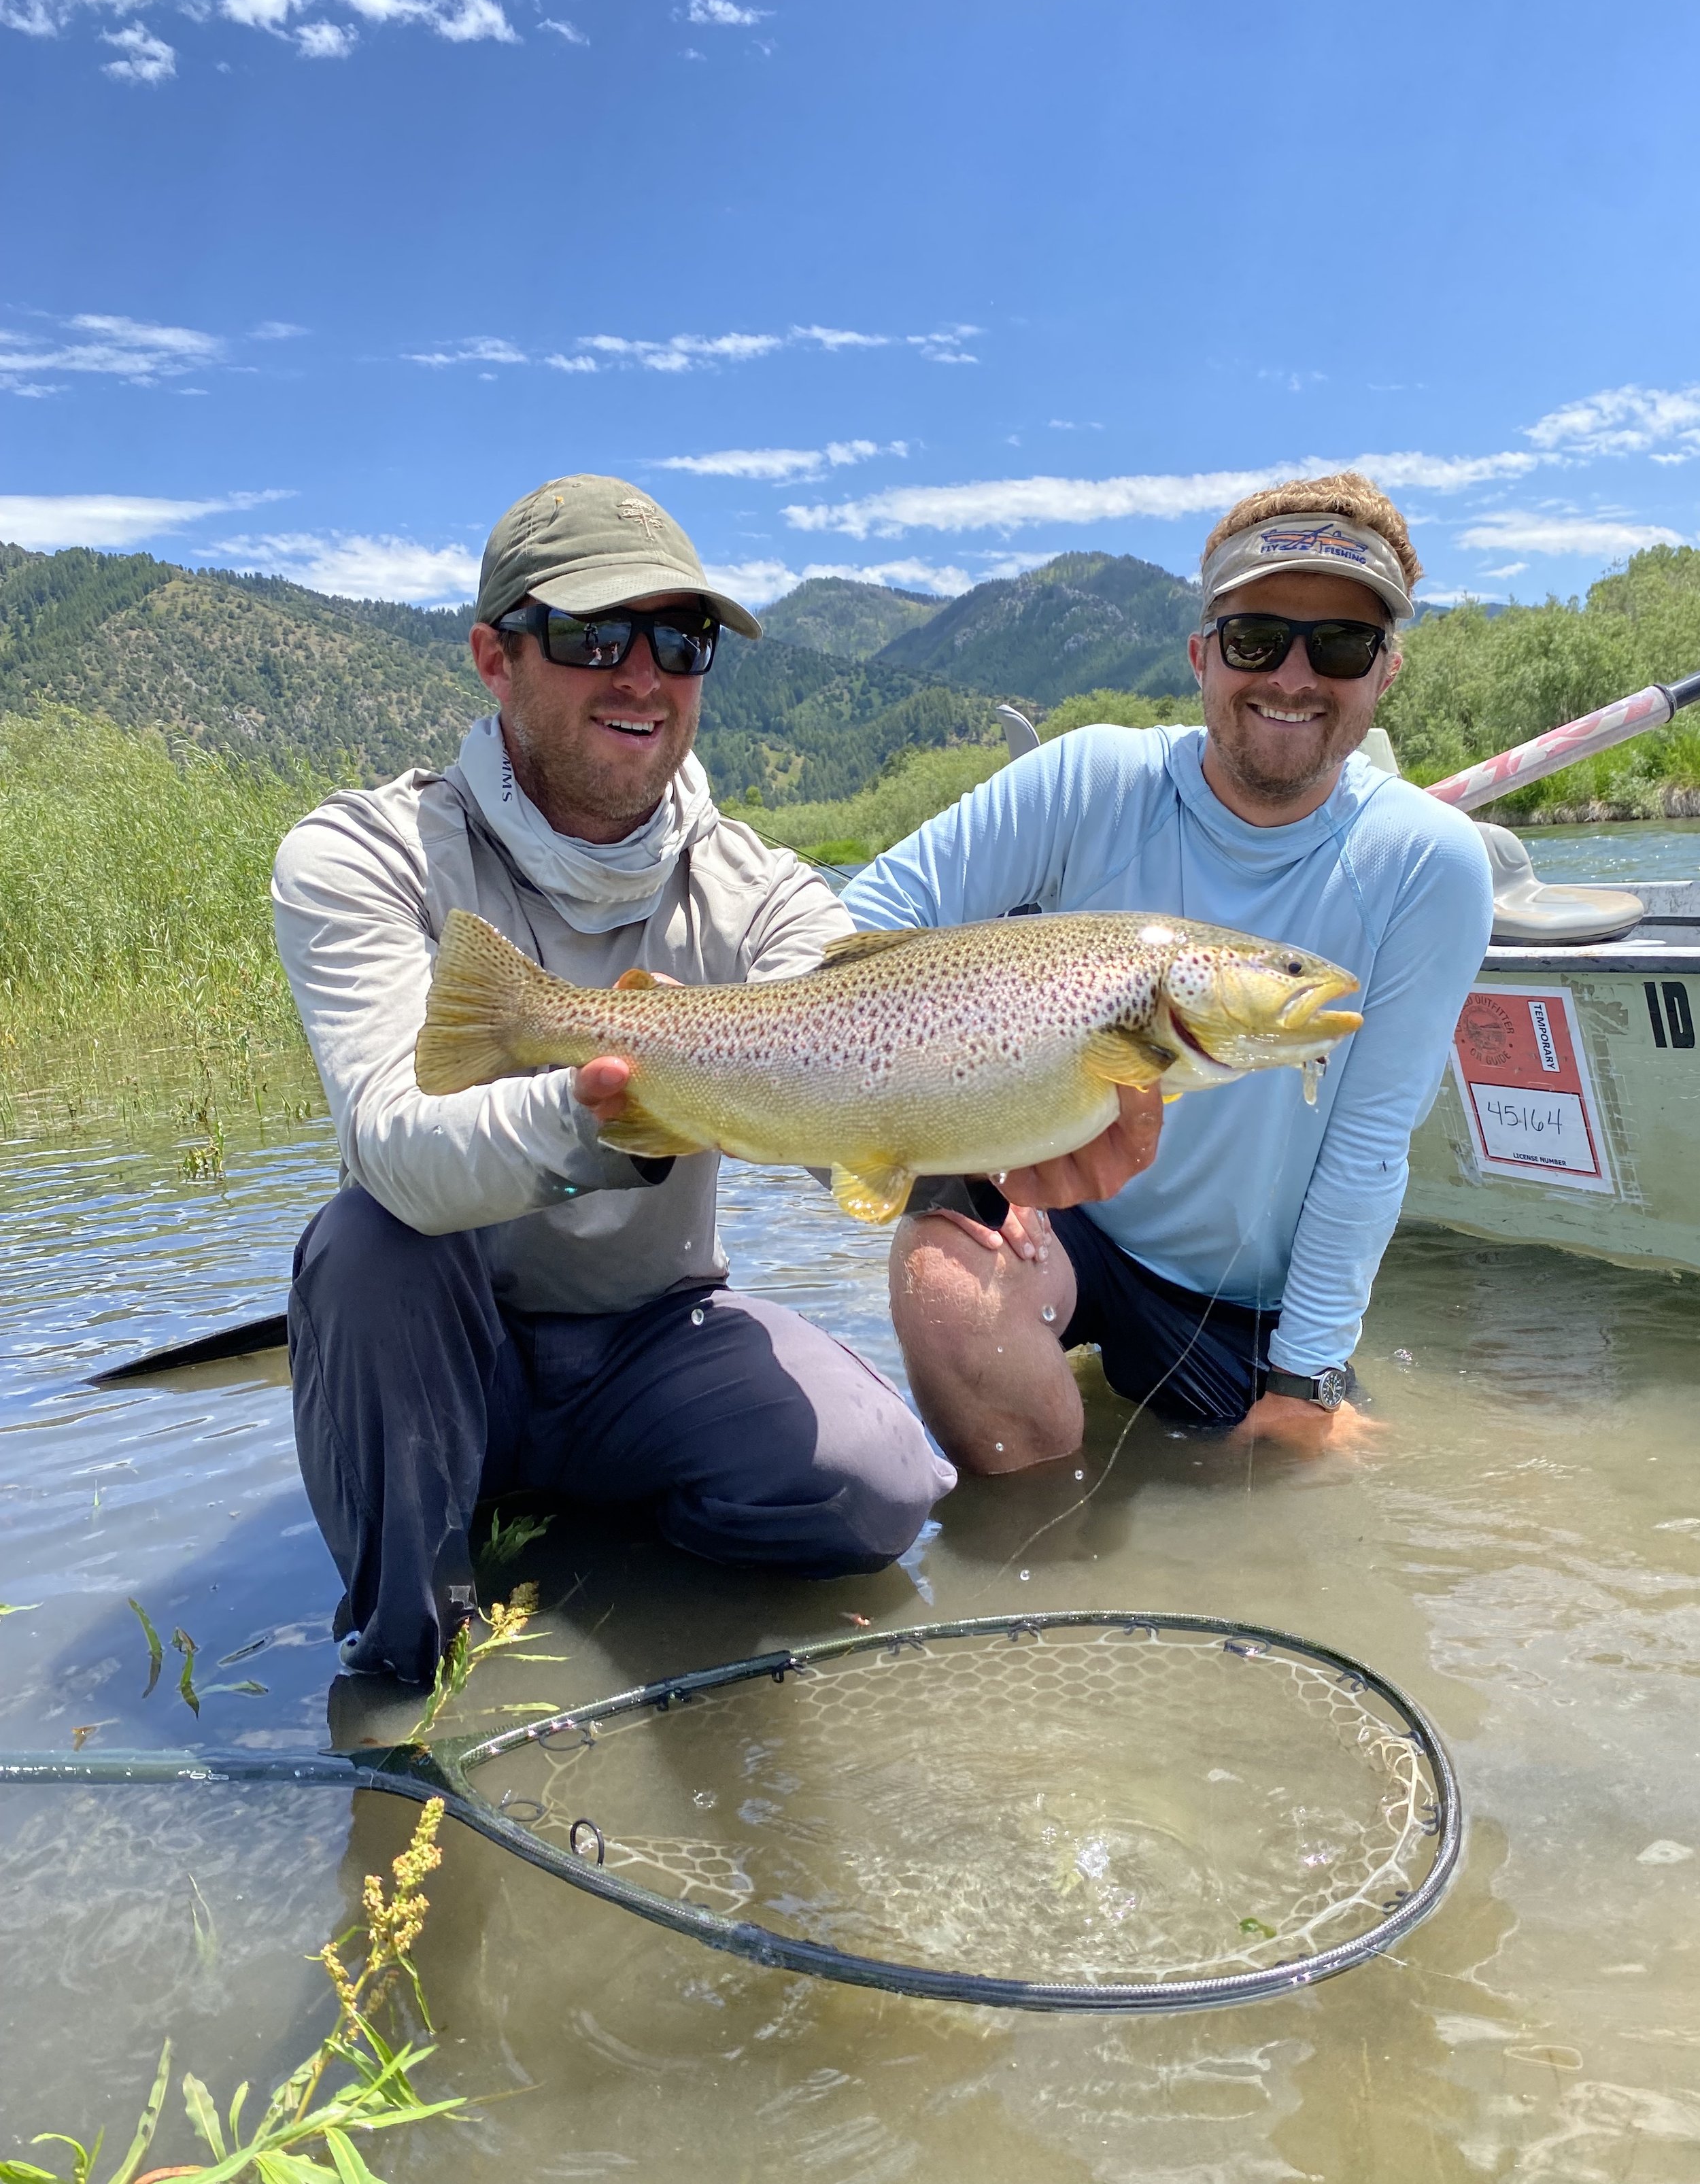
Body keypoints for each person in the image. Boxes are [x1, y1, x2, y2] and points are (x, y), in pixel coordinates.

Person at [273, 475, 953, 1688]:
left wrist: (983, 1156)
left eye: (680, 641)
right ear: (495, 658)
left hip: (651, 1338)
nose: (644, 675)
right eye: (595, 635)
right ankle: (417, 1655)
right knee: (367, 1249)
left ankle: (604, 1535)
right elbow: (397, 1144)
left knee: (880, 1490)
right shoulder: (364, 854)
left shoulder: (766, 892)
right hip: (451, 1339)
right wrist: (614, 1111)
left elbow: (852, 1083)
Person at [844, 473, 1494, 1470]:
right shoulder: (1090, 779)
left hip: (1245, 1301)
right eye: (1256, 640)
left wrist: (1309, 1379)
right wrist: (967, 1150)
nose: (1294, 676)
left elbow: (1368, 1147)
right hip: (1067, 1224)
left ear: (1386, 674)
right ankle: (1030, 1545)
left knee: (1288, 1489)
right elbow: (862, 926)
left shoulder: (1429, 863)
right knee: (945, 1285)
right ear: (1202, 656)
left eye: (1340, 645)